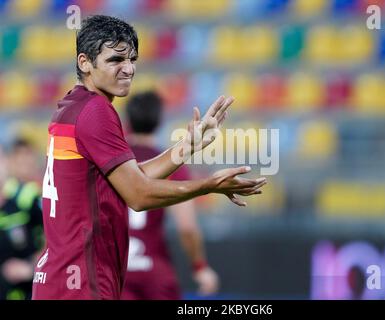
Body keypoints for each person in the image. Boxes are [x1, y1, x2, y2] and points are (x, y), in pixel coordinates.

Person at [32, 15, 266, 300]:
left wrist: (187, 147)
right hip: (82, 283)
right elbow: (138, 195)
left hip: (58, 279)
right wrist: (210, 185)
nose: (128, 69)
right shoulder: (96, 111)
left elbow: (126, 179)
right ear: (85, 63)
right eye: (116, 60)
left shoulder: (71, 107)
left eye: (132, 59)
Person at [121, 91, 219, 300]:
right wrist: (200, 267)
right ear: (159, 121)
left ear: (127, 120)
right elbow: (187, 227)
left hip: (114, 270)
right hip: (154, 271)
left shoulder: (113, 163)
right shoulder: (170, 163)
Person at [0, 139, 44, 300]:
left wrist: (29, 267)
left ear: (6, 162)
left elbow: (57, 240)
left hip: (29, 291)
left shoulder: (27, 197)